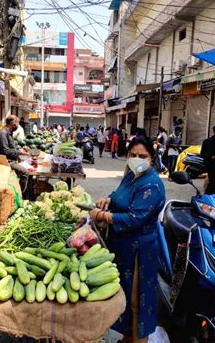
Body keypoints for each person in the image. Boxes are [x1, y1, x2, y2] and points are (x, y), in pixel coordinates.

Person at [89, 135, 165, 342]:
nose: (137, 159)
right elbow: (119, 194)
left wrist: (102, 215)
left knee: (136, 302)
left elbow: (135, 218)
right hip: (122, 247)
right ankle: (126, 338)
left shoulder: (153, 185)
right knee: (123, 297)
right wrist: (108, 200)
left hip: (139, 250)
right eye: (133, 155)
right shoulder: (131, 175)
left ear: (152, 157)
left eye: (143, 155)